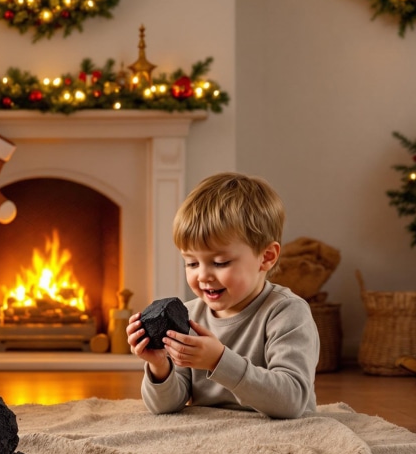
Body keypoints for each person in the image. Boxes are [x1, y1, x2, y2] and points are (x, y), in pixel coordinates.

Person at [126, 172, 318, 418]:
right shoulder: (189, 316)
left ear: (267, 257)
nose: (203, 275)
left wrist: (219, 361)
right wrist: (159, 365)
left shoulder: (287, 312)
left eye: (220, 262)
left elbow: (291, 402)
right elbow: (166, 407)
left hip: (284, 437)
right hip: (214, 437)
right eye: (192, 263)